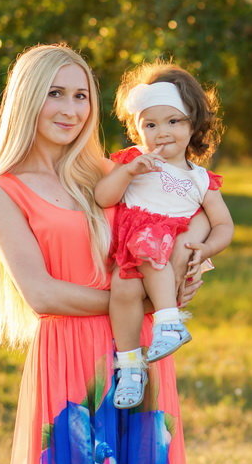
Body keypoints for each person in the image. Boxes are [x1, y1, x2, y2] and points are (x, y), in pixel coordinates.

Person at [0, 44, 207, 464]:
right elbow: (42, 294)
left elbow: (186, 214)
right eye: (55, 93)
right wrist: (143, 301)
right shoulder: (3, 191)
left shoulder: (113, 171)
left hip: (139, 348)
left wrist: (182, 270)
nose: (70, 109)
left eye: (81, 96)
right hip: (71, 355)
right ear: (27, 99)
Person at [95, 62, 233, 409]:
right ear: (137, 129)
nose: (162, 132)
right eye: (150, 124)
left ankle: (169, 322)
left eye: (174, 121)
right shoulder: (135, 160)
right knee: (123, 291)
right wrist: (127, 172)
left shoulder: (201, 180)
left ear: (193, 124)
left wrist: (205, 248)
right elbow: (103, 197)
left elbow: (223, 225)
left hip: (162, 247)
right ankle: (129, 366)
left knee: (151, 246)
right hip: (130, 250)